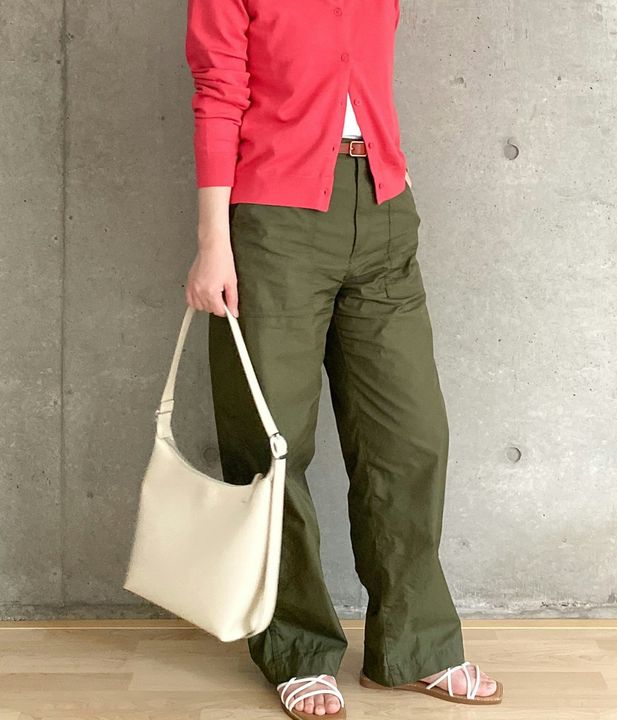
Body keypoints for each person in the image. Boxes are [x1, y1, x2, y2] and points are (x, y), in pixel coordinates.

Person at [183, 1, 503, 717]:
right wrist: (213, 243)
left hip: (382, 206)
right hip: (275, 221)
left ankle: (414, 647)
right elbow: (219, 93)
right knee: (273, 445)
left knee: (411, 437)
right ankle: (296, 649)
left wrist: (393, 174)